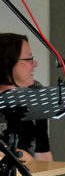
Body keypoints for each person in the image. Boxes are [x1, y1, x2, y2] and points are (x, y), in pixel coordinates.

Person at [0, 33, 52, 161]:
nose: (34, 64)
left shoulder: (36, 92)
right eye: (28, 59)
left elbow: (42, 153)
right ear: (8, 62)